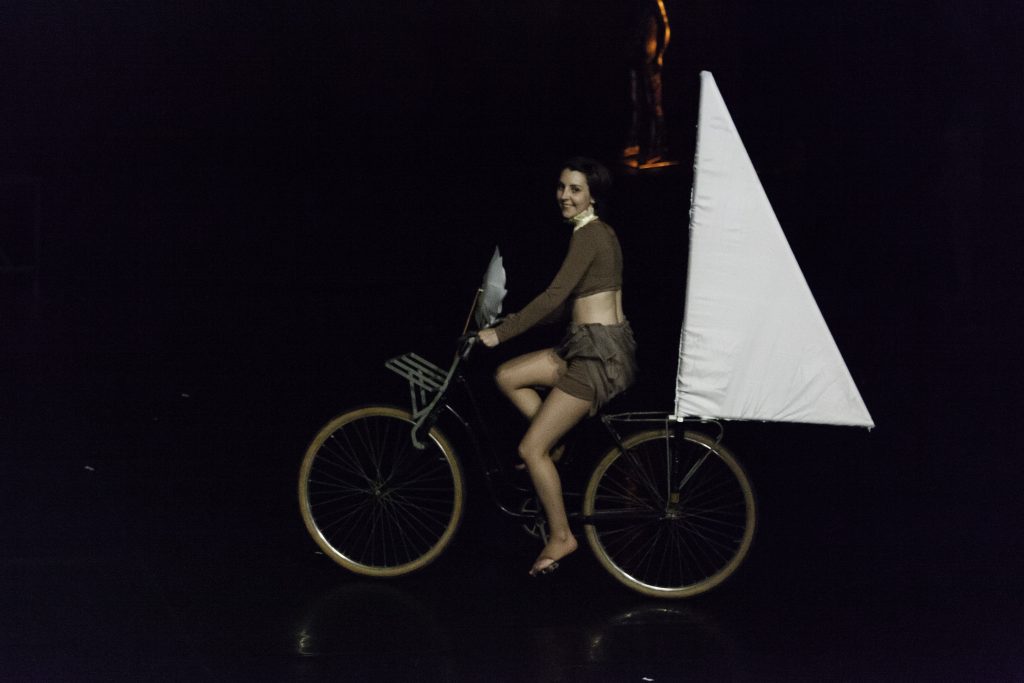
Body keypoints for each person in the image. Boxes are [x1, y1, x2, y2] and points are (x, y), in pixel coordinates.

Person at [477, 157, 638, 576]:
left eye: (575, 189)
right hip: (586, 347)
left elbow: (553, 296)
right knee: (508, 375)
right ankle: (556, 443)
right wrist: (508, 321)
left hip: (597, 358)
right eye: (562, 187)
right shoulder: (598, 233)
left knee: (530, 449)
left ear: (592, 196)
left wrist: (502, 334)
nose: (565, 196)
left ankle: (562, 536)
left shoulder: (590, 235)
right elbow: (565, 307)